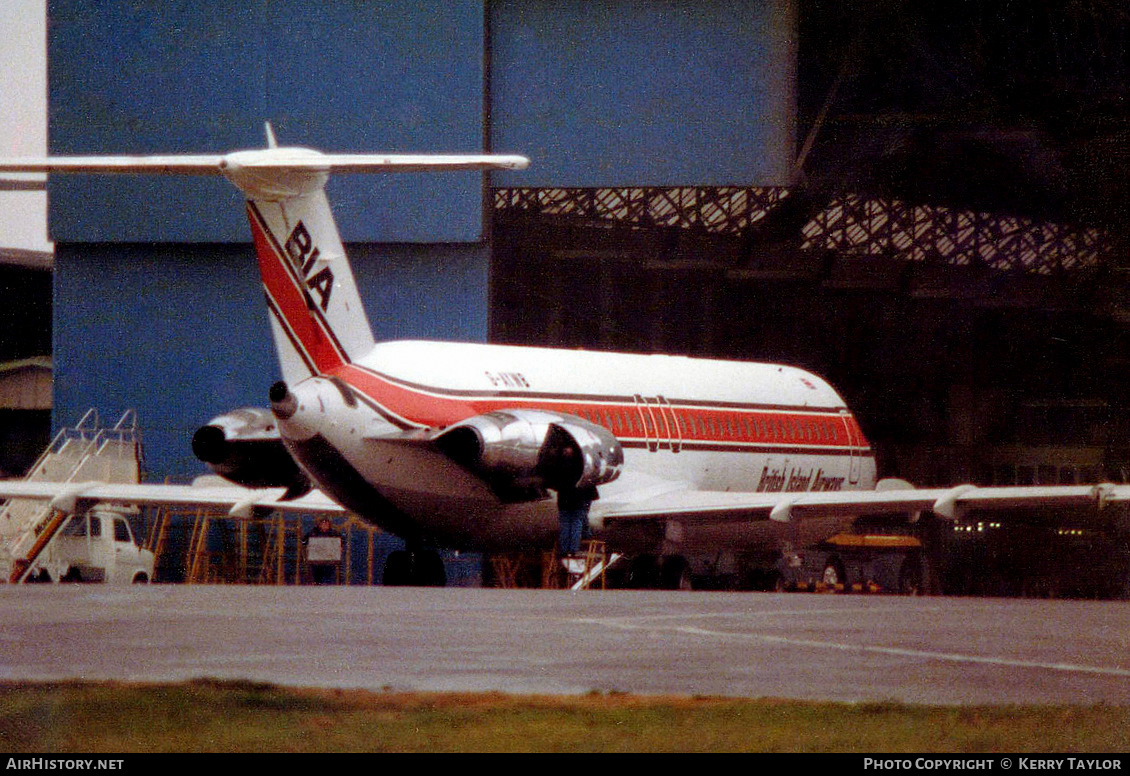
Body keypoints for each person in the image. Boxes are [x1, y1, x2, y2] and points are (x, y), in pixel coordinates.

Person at [303, 516, 342, 585]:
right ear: (319, 524)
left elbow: (341, 543)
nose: (324, 525)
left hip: (330, 561)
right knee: (317, 579)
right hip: (316, 561)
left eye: (326, 524)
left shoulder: (334, 533)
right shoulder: (313, 532)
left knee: (328, 578)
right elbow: (304, 542)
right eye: (322, 523)